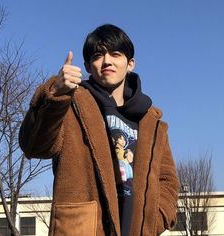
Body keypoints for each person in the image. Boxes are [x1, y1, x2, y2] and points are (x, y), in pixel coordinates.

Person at [19, 24, 180, 236]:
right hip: (83, 230)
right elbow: (34, 146)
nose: (107, 61)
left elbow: (167, 180)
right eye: (98, 55)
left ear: (130, 63)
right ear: (87, 65)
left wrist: (154, 218)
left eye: (115, 54)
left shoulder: (152, 122)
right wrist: (56, 95)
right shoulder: (70, 103)